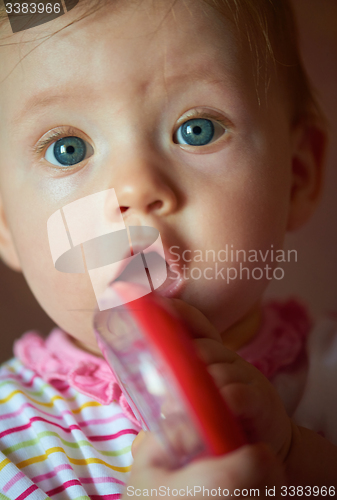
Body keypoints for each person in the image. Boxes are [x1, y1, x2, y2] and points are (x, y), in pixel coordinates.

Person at [0, 0, 336, 498]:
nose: (134, 188)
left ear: (297, 179)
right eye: (66, 148)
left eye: (196, 130)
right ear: (4, 223)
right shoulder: (14, 436)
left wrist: (295, 462)